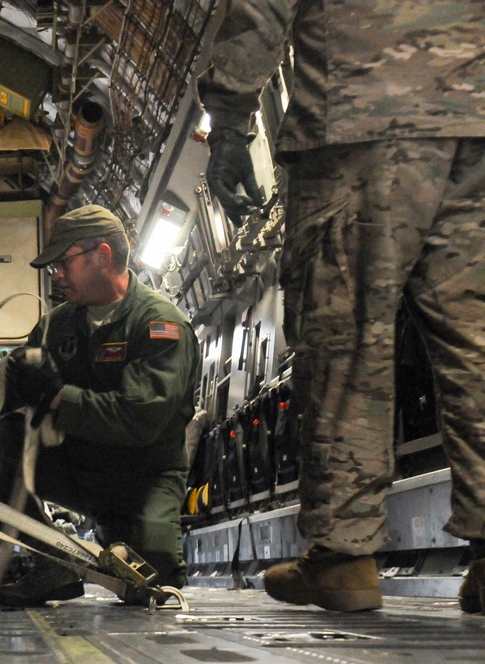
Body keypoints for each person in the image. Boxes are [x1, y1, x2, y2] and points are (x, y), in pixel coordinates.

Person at [198, 0, 485, 612]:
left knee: (348, 343)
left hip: (362, 118)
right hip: (477, 122)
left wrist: (228, 121)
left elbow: (261, 8)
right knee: (478, 345)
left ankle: (344, 556)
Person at [0, 205, 201, 607]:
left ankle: (126, 533)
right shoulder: (56, 326)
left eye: (63, 263)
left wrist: (61, 397)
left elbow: (140, 420)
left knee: (150, 582)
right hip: (78, 467)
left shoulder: (158, 326)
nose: (56, 275)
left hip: (141, 478)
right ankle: (54, 562)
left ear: (102, 255)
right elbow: (10, 381)